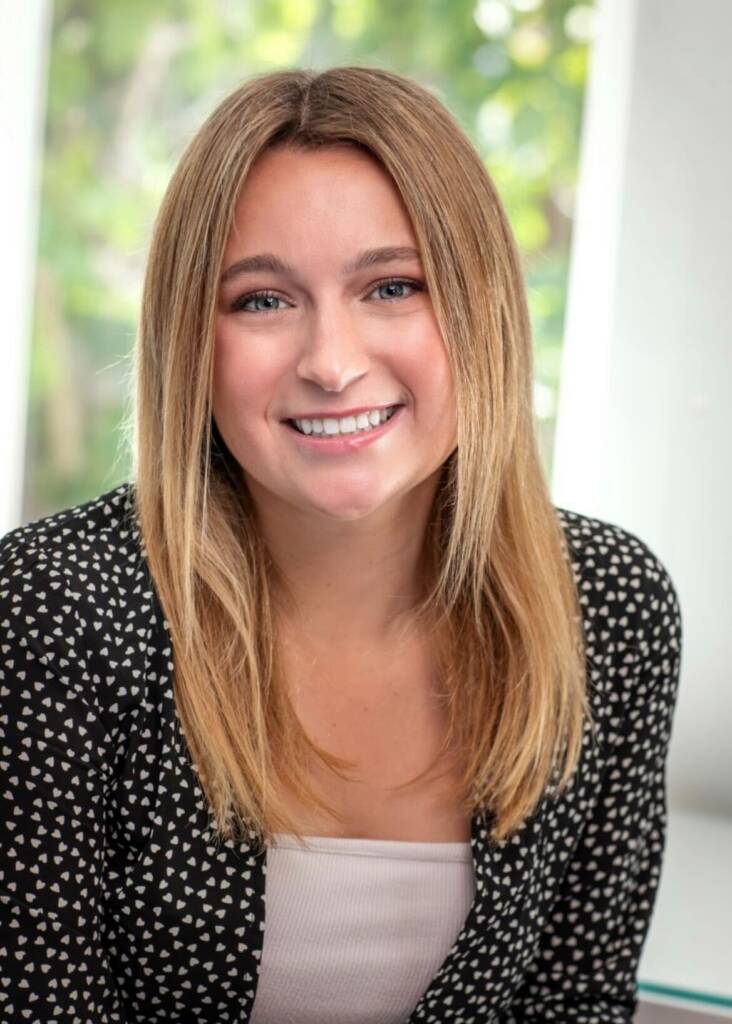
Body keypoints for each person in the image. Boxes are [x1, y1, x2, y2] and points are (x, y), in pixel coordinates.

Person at [0, 65, 682, 1024]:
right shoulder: (55, 608)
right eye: (262, 301)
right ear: (191, 343)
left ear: (481, 311)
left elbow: (575, 999)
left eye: (392, 286)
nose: (330, 361)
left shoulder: (606, 604)